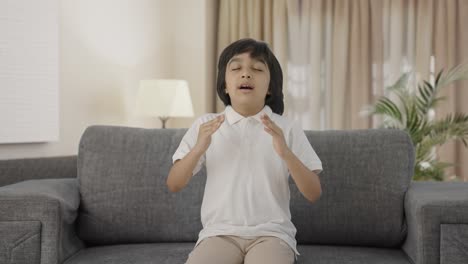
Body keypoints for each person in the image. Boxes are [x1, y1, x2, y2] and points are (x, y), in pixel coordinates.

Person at [167, 38, 323, 264]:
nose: (246, 74)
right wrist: (199, 148)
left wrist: (286, 153)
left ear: (270, 86)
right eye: (236, 68)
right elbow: (174, 183)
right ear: (224, 85)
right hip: (218, 234)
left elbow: (314, 192)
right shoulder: (206, 125)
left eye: (257, 68)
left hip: (272, 235)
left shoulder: (287, 128)